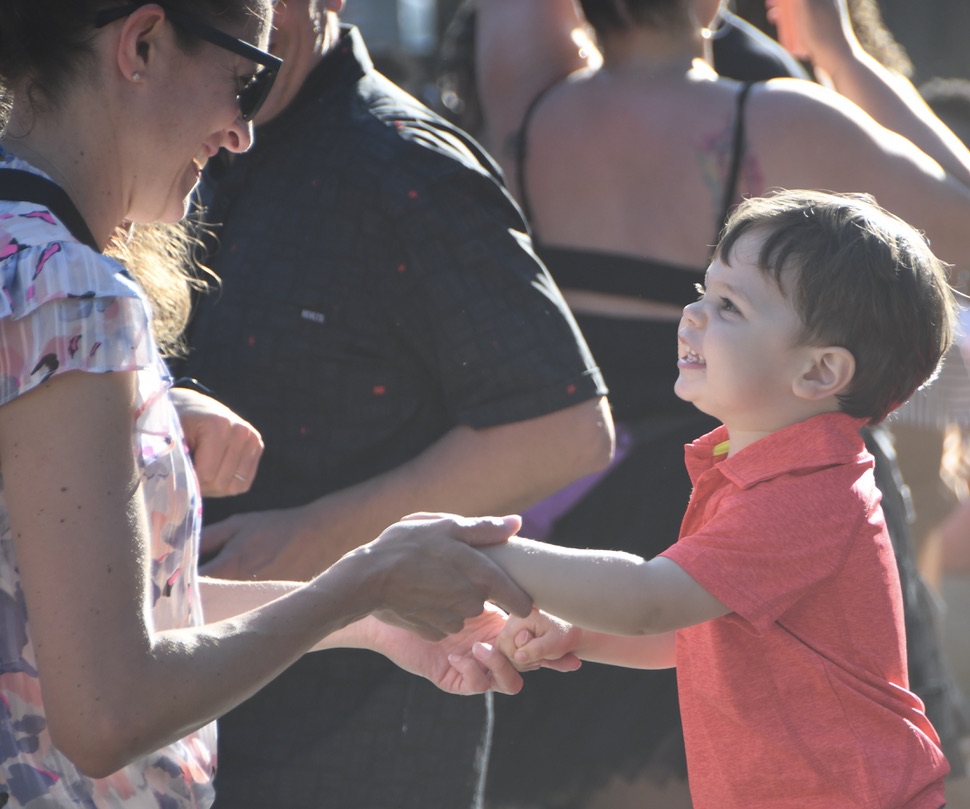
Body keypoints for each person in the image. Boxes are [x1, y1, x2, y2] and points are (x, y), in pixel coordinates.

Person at [0, 1, 540, 806]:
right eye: (246, 80)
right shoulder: (72, 292)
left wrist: (372, 617)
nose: (242, 132)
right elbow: (108, 711)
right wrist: (364, 582)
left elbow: (96, 619)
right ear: (141, 44)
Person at [474, 1, 970, 804]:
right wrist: (580, 633)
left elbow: (651, 598)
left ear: (821, 372)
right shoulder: (750, 462)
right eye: (702, 293)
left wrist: (483, 551)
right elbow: (702, 626)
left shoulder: (807, 492)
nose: (692, 316)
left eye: (729, 306)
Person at [174, 1, 614, 807]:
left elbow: (565, 429)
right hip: (191, 706)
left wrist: (316, 534)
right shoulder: (176, 130)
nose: (240, 19)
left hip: (365, 728)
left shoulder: (408, 164)